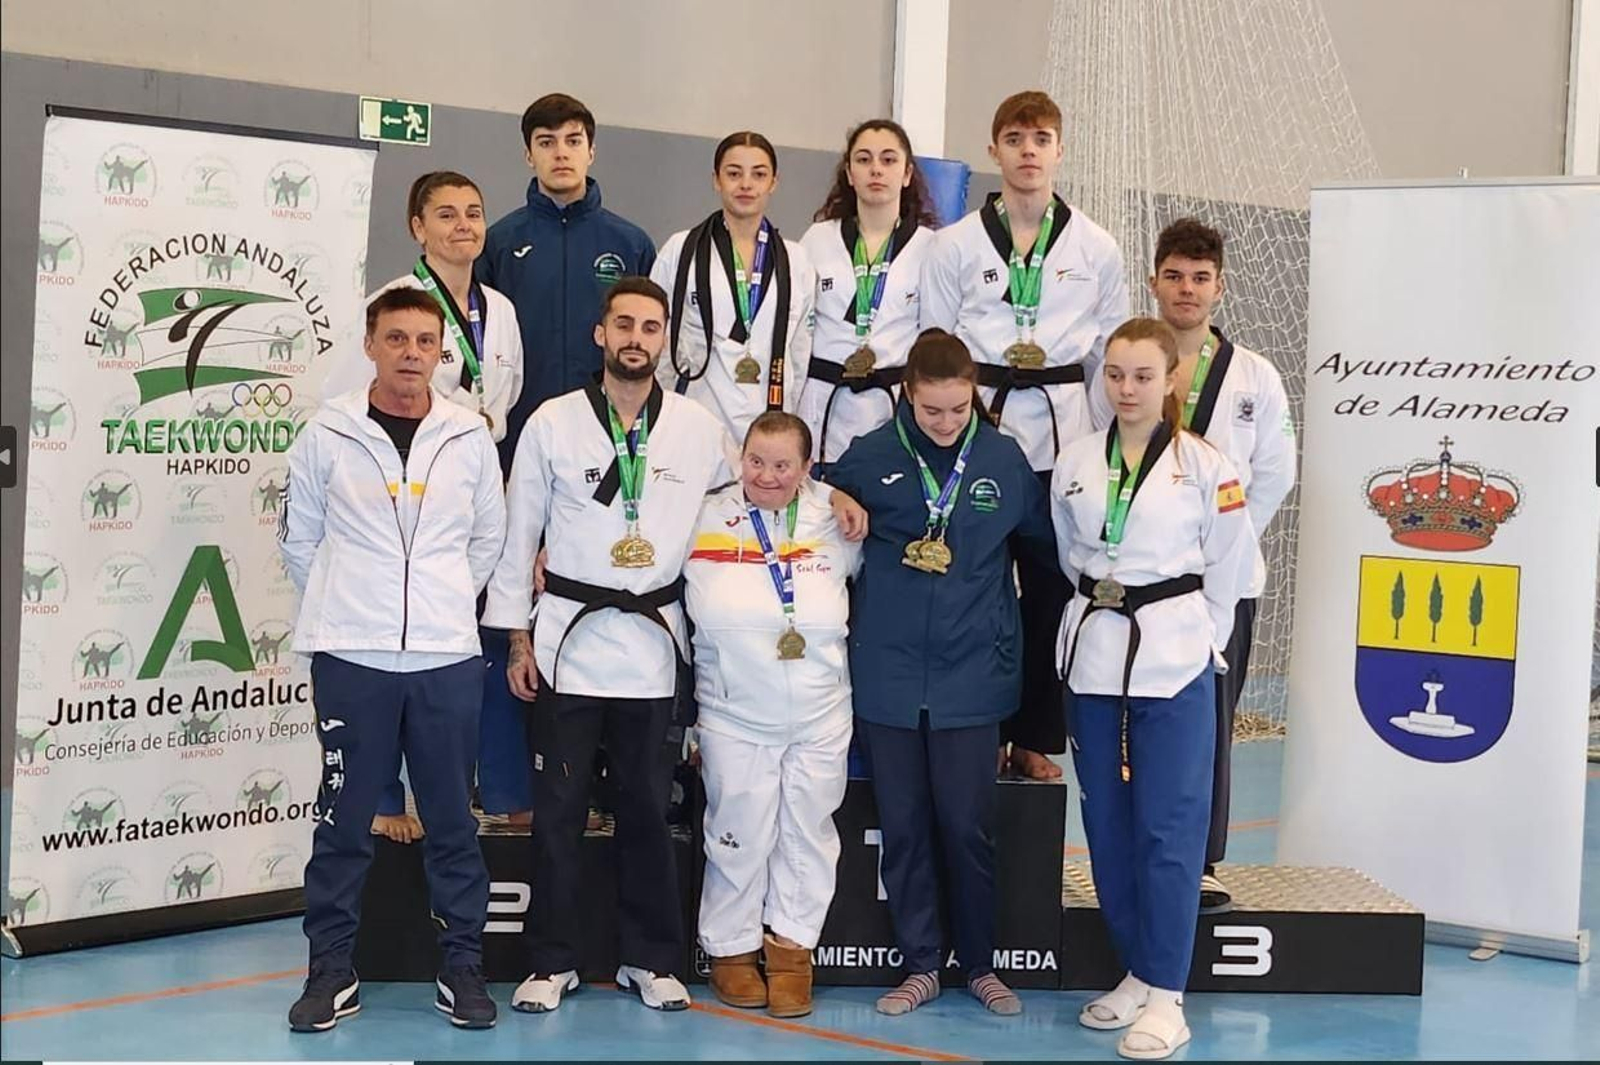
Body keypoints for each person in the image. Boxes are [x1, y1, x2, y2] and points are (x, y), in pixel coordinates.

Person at [279, 287, 507, 1032]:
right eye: (396, 338)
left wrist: (436, 604)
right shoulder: (327, 431)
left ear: (440, 351)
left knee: (451, 819)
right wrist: (356, 607)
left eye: (424, 342)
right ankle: (329, 970)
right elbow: (300, 539)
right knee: (343, 822)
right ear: (371, 343)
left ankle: (464, 967)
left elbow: (486, 540)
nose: (412, 354)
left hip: (444, 655)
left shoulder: (468, 434)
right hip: (351, 655)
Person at [824, 329, 1057, 1018]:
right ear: (907, 396)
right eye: (933, 410)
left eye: (960, 408)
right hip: (889, 676)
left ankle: (981, 964)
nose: (948, 423)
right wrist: (833, 500)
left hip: (972, 676)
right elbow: (811, 514)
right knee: (904, 825)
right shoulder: (867, 457)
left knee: (965, 826)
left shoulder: (1003, 459)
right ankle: (921, 963)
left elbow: (1045, 556)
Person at [1050, 317, 1256, 1060]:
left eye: (1142, 375)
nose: (1127, 388)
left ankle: (1169, 993)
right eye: (1114, 374)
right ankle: (1136, 970)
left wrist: (1205, 638)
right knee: (1107, 823)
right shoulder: (1074, 461)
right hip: (1095, 654)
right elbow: (1071, 549)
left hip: (1174, 654)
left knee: (1170, 828)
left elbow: (1231, 565)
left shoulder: (1208, 466)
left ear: (1171, 378)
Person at [921, 90, 1129, 782]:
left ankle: (1036, 734)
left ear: (1059, 150)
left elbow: (1109, 354)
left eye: (1041, 138)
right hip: (979, 434)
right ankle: (976, 726)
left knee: (1049, 589)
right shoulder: (953, 246)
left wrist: (1102, 446)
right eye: (1015, 138)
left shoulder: (1096, 247)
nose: (1029, 150)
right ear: (994, 151)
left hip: (1064, 437)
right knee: (975, 587)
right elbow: (938, 346)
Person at [322, 170, 527, 841]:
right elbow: (350, 408)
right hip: (401, 501)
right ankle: (383, 796)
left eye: (473, 213)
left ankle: (494, 788)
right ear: (417, 227)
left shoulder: (499, 308)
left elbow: (508, 396)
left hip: (476, 487)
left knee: (479, 646)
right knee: (387, 656)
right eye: (446, 214)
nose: (463, 226)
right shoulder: (390, 308)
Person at [684, 412, 861, 1019]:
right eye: (756, 460)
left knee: (808, 834)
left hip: (821, 711)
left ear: (808, 468)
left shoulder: (834, 519)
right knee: (738, 832)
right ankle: (730, 951)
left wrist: (838, 495)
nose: (767, 475)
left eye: (783, 465)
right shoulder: (703, 516)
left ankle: (792, 951)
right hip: (735, 711)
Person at [1146, 218, 1296, 914]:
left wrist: (1226, 545)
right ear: (1154, 281)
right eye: (1175, 275)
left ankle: (1200, 862)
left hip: (1226, 582)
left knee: (1210, 719)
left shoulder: (1255, 375)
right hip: (1144, 576)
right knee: (1144, 715)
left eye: (1200, 277)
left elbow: (1276, 471)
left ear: (1220, 287)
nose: (1187, 288)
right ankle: (1144, 847)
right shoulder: (1129, 361)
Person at [477, 92, 656, 464]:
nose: (561, 153)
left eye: (573, 141)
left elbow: (653, 341)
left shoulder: (631, 243)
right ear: (529, 155)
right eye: (546, 142)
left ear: (591, 151)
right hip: (518, 433)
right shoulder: (498, 243)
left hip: (609, 433)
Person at [652, 131, 816, 443]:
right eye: (733, 173)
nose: (746, 184)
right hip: (694, 417)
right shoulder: (680, 250)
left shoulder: (797, 260)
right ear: (716, 180)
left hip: (769, 423)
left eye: (759, 174)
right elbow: (657, 339)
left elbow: (799, 354)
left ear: (773, 183)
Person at [797, 119, 939, 468]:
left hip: (890, 400)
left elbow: (936, 335)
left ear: (907, 174)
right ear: (849, 173)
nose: (876, 169)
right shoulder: (817, 239)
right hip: (825, 401)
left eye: (888, 160)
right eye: (864, 159)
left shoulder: (932, 248)